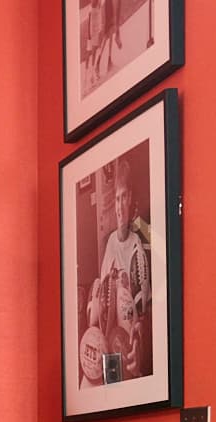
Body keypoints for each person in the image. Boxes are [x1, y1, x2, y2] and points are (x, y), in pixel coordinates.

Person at [83, 160, 151, 386]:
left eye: (124, 197)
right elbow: (101, 295)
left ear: (131, 198)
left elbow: (146, 306)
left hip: (128, 343)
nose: (120, 206)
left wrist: (140, 332)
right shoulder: (109, 241)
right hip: (109, 344)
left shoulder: (141, 242)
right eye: (117, 199)